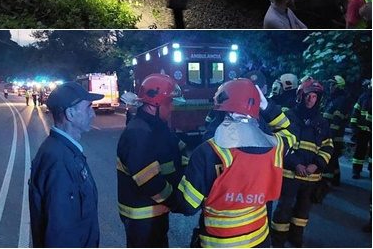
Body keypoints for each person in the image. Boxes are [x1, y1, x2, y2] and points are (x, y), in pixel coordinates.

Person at [175, 79, 297, 248]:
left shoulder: (207, 151)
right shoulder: (275, 146)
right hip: (259, 239)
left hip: (219, 243)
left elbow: (187, 206)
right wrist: (267, 108)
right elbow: (290, 133)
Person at [29, 82, 102, 247]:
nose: (93, 114)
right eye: (88, 108)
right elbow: (60, 234)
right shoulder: (59, 162)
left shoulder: (64, 150)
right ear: (70, 114)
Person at [116, 74, 186, 247]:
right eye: (169, 104)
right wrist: (177, 201)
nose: (171, 110)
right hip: (142, 220)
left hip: (156, 214)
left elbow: (177, 155)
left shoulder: (157, 128)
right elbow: (149, 180)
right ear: (155, 104)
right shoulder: (138, 133)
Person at [271, 78, 333, 248]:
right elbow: (280, 143)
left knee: (302, 213)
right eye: (307, 95)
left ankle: (296, 239)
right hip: (290, 174)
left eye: (314, 96)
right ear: (300, 96)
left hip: (311, 177)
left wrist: (317, 165)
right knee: (283, 209)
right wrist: (295, 164)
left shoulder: (322, 122)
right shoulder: (288, 116)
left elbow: (328, 147)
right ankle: (278, 242)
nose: (310, 99)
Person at [315, 75, 350, 201]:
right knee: (333, 159)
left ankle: (326, 182)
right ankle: (336, 180)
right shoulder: (333, 99)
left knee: (329, 159)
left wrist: (328, 135)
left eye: (333, 85)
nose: (330, 87)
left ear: (338, 86)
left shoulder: (341, 101)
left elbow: (336, 121)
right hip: (330, 134)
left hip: (334, 136)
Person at [350, 80, 371, 179]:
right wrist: (354, 126)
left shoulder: (364, 96)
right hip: (362, 130)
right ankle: (356, 171)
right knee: (359, 151)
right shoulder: (364, 97)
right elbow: (356, 112)